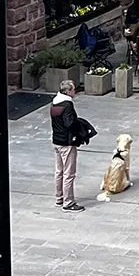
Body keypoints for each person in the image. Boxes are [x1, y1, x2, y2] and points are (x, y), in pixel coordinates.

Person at [50, 83, 88, 212]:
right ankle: (68, 202)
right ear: (68, 91)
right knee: (69, 173)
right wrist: (79, 130)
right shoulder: (67, 106)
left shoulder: (55, 103)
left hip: (57, 141)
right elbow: (70, 123)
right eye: (74, 89)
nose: (75, 91)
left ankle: (59, 197)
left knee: (59, 172)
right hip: (67, 143)